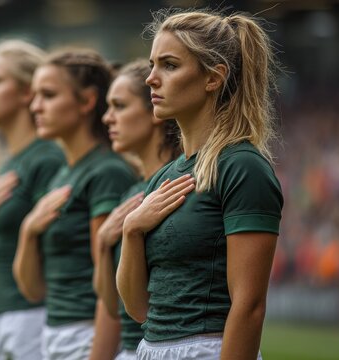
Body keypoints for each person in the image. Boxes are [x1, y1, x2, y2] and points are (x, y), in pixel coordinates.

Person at [117, 9, 284, 360]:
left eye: (169, 65)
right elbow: (137, 308)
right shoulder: (166, 176)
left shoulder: (242, 166)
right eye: (152, 65)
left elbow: (249, 306)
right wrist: (131, 230)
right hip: (150, 349)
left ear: (213, 77)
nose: (151, 78)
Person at [13, 49, 137, 360]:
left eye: (49, 95)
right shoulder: (61, 174)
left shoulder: (106, 172)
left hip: (88, 336)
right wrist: (28, 231)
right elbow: (33, 290)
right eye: (35, 95)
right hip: (54, 332)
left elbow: (109, 289)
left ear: (86, 101)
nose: (35, 105)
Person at [0, 39, 65, 360]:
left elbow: (55, 252)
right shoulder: (7, 163)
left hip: (29, 316)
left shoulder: (47, 158)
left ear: (27, 92)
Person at [93, 60, 181, 360]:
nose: (107, 118)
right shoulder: (131, 192)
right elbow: (111, 302)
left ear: (153, 110)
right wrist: (103, 244)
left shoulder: (180, 186)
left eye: (119, 106)